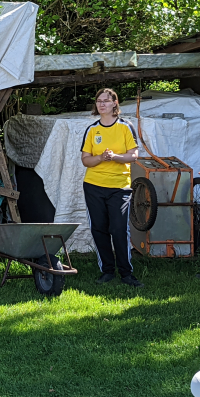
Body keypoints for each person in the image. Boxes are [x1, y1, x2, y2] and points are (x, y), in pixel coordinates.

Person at [80, 88, 143, 287]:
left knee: (118, 229)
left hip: (119, 187)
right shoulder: (92, 130)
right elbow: (85, 160)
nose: (102, 104)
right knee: (99, 229)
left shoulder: (125, 126)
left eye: (106, 101)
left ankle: (126, 273)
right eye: (99, 101)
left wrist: (115, 157)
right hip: (94, 186)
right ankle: (107, 270)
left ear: (115, 103)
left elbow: (134, 156)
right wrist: (101, 157)